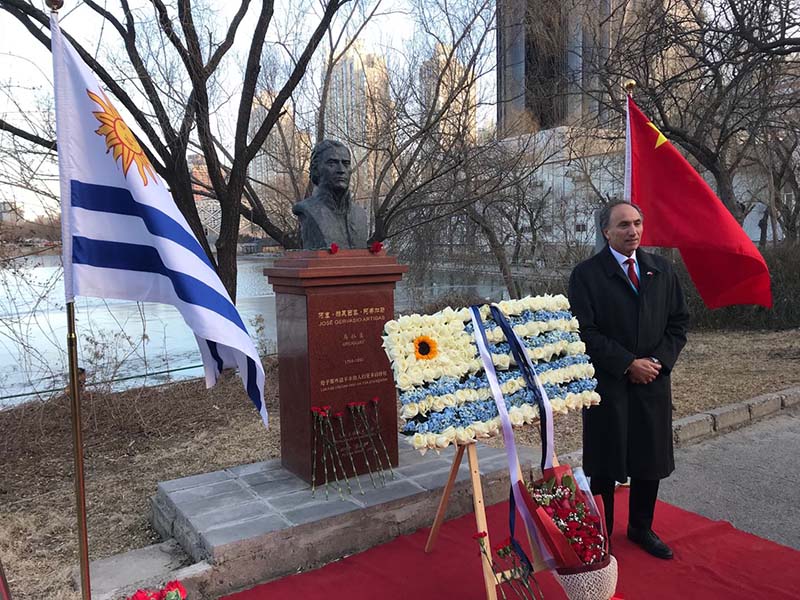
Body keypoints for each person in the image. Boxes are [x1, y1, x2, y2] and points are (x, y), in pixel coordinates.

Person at [568, 199, 689, 560]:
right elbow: (583, 331)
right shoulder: (587, 275)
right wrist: (626, 363)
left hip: (652, 381)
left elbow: (678, 323)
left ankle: (641, 527)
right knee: (605, 462)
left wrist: (656, 361)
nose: (632, 231)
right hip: (608, 383)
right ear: (606, 231)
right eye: (623, 225)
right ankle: (600, 532)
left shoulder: (662, 270)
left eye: (636, 223)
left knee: (648, 459)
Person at [292, 140, 368, 250]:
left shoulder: (360, 214)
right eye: (332, 163)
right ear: (316, 169)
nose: (341, 170)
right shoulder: (308, 209)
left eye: (346, 164)